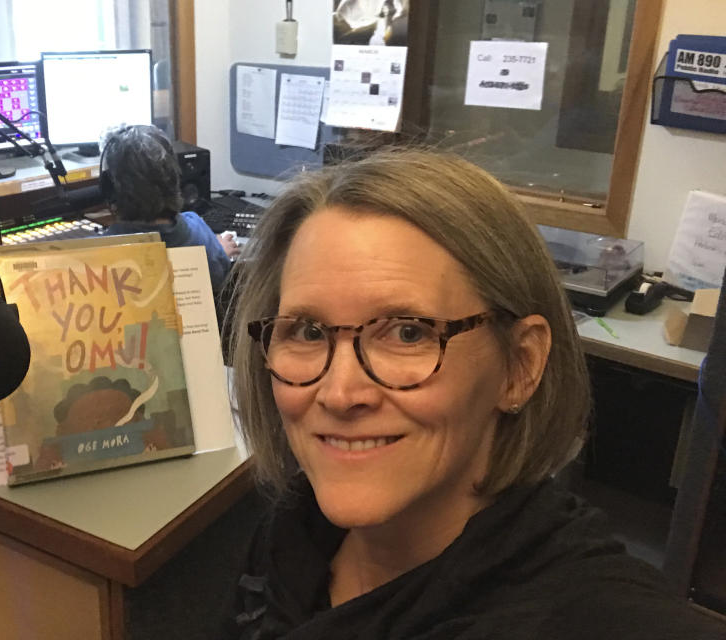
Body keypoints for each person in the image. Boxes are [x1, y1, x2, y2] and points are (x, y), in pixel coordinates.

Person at [222, 150, 725, 639]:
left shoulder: (587, 612)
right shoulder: (292, 532)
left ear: (520, 366)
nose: (340, 393)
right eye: (308, 332)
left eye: (408, 332)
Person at [100, 124, 240, 296]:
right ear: (175, 179)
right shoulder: (197, 230)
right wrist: (219, 251)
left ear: (110, 189)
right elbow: (217, 270)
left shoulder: (99, 252)